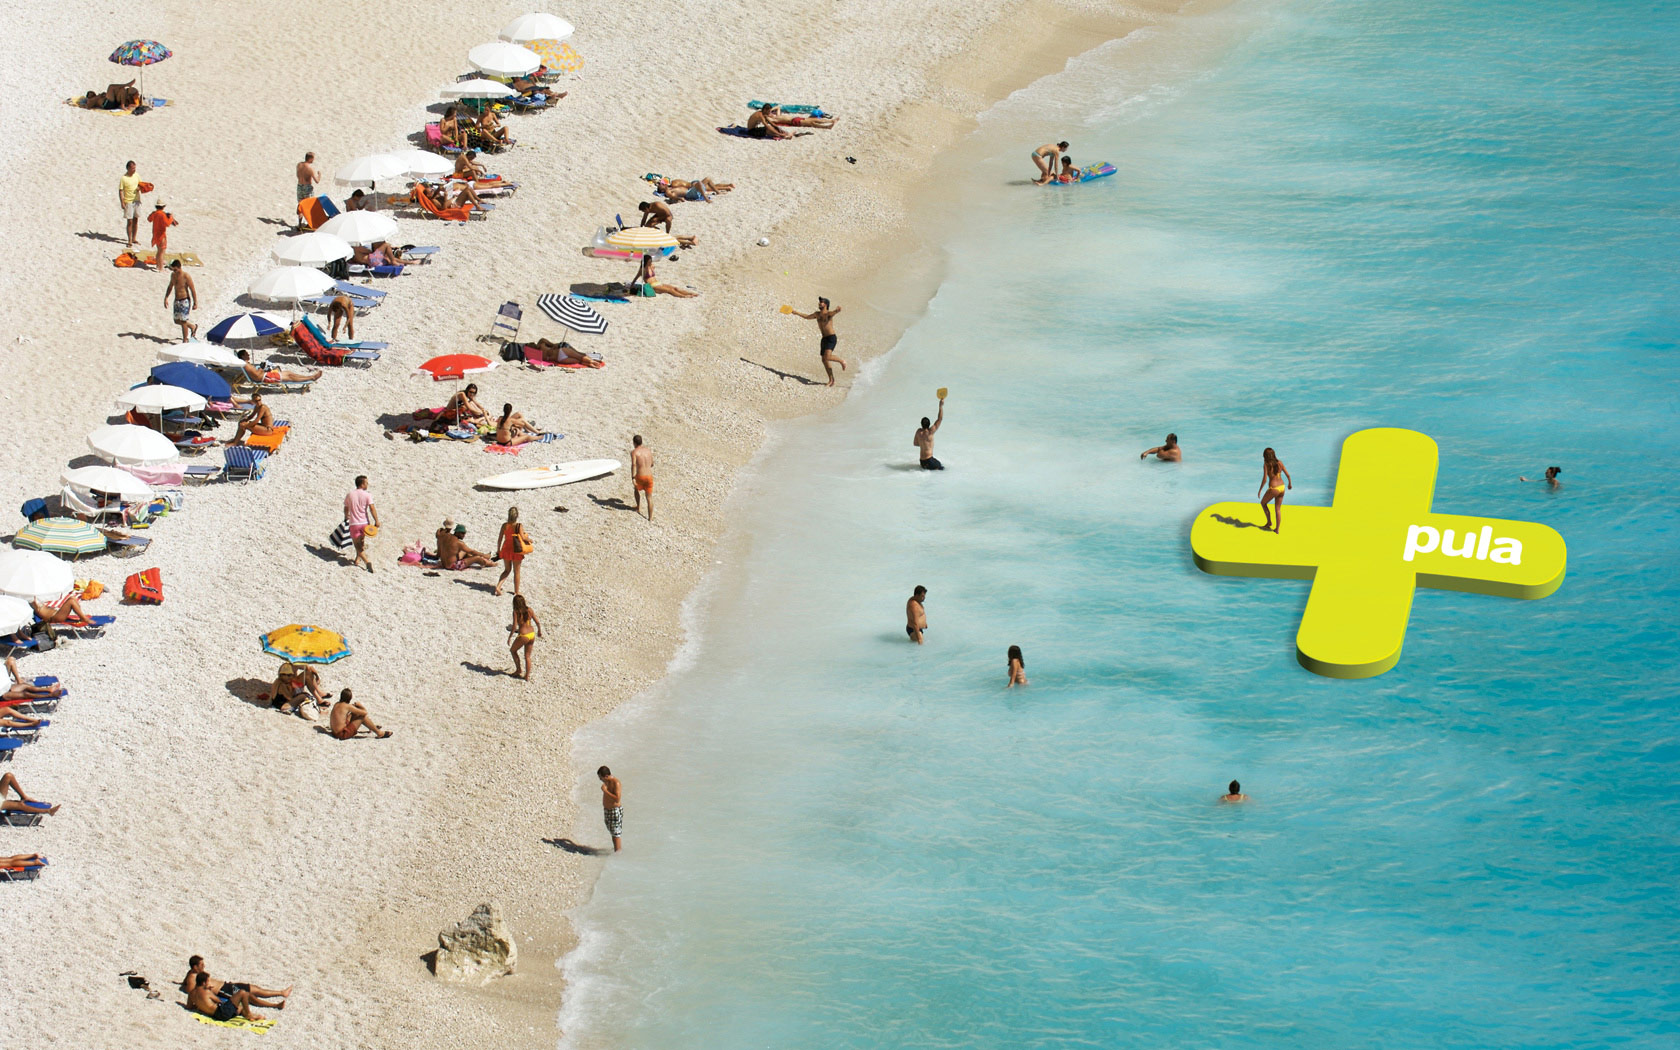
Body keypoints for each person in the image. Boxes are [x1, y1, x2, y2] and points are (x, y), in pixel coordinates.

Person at [179, 956, 290, 1005]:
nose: (204, 966)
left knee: (254, 988)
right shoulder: (192, 978)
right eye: (201, 965)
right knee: (250, 997)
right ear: (195, 967)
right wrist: (206, 988)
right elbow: (191, 991)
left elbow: (185, 982)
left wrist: (182, 983)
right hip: (223, 991)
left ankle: (281, 992)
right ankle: (274, 1005)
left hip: (227, 985)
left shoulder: (192, 973)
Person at [791, 297, 846, 386]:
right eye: (819, 302)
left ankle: (842, 361)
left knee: (828, 357)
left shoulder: (828, 314)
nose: (820, 303)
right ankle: (831, 380)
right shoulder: (817, 314)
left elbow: (833, 313)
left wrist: (837, 310)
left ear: (826, 304)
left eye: (822, 302)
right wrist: (796, 312)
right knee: (824, 360)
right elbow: (807, 317)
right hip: (824, 339)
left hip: (831, 338)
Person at [188, 971, 266, 1023]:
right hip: (222, 1013)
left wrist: (201, 1006)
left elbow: (189, 1006)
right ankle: (249, 1014)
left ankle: (251, 1015)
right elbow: (219, 1001)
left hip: (216, 1015)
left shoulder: (191, 993)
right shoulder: (206, 992)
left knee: (240, 1007)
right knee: (242, 993)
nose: (209, 983)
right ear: (203, 983)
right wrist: (210, 991)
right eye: (208, 981)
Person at [345, 475, 378, 573]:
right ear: (362, 484)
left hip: (354, 523)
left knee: (357, 544)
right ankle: (358, 559)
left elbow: (346, 507)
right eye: (366, 483)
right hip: (365, 523)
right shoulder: (367, 495)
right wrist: (376, 520)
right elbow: (372, 508)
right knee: (362, 541)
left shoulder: (350, 494)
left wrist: (346, 516)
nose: (367, 484)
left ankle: (366, 561)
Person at [494, 507, 529, 596]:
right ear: (517, 516)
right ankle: (516, 591)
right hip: (516, 550)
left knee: (507, 570)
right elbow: (523, 538)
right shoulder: (518, 526)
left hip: (506, 549)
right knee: (516, 571)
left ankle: (498, 586)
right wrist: (530, 540)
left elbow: (499, 539)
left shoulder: (504, 525)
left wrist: (498, 550)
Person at [161, 260, 198, 342]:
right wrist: (166, 298)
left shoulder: (186, 276)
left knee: (183, 321)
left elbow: (192, 289)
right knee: (176, 321)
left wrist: (195, 302)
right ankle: (192, 326)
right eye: (173, 270)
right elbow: (170, 287)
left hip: (185, 300)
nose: (174, 271)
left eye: (175, 270)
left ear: (179, 267)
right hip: (177, 300)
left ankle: (185, 340)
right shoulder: (173, 275)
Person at [507, 595, 542, 680]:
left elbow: (514, 626)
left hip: (523, 635)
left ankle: (518, 669)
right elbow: (537, 622)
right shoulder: (529, 610)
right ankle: (527, 676)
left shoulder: (516, 612)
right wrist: (539, 631)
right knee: (527, 656)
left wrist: (510, 637)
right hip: (532, 634)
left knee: (513, 651)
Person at [235, 350, 320, 385]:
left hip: (266, 375)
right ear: (242, 356)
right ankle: (311, 378)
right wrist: (261, 368)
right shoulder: (246, 365)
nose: (249, 355)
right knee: (290, 377)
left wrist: (262, 368)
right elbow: (257, 376)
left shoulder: (247, 364)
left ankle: (309, 377)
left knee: (289, 373)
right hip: (266, 377)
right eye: (246, 354)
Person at [1258, 447, 1292, 533]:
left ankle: (1269, 522)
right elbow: (1288, 475)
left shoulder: (1266, 464)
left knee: (1263, 503)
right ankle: (1277, 529)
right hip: (1282, 487)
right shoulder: (1280, 462)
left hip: (1274, 488)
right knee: (1278, 509)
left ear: (1265, 456)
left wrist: (1260, 490)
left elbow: (1265, 479)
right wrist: (1289, 484)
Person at [914, 398, 945, 470]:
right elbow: (940, 419)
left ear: (921, 424)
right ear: (929, 424)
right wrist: (940, 406)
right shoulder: (930, 432)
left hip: (922, 462)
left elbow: (915, 443)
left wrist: (923, 444)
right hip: (929, 461)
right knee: (943, 469)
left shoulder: (918, 432)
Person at [598, 766, 623, 853]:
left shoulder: (616, 783)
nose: (600, 780)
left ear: (606, 776)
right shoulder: (607, 781)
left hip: (614, 810)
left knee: (616, 833)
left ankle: (618, 853)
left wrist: (605, 791)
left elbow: (617, 799)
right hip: (608, 810)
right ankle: (616, 850)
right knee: (612, 831)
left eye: (601, 778)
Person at [147, 201, 177, 270]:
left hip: (155, 234)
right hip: (161, 235)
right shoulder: (162, 214)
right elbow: (167, 224)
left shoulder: (154, 213)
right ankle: (160, 268)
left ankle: (158, 266)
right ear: (163, 207)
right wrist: (171, 217)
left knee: (159, 251)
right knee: (161, 252)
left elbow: (149, 219)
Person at [118, 160, 142, 248]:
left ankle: (134, 238)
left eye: (135, 168)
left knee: (136, 220)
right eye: (132, 168)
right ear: (128, 168)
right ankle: (129, 240)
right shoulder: (123, 178)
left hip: (137, 201)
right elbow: (121, 191)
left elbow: (141, 185)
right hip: (128, 201)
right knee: (130, 221)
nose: (134, 170)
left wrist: (140, 188)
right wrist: (122, 202)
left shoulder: (137, 175)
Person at [531, 338, 601, 367]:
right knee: (580, 356)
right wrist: (552, 347)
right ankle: (592, 361)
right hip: (561, 351)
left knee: (579, 361)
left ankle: (591, 363)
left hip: (560, 360)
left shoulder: (538, 356)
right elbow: (552, 344)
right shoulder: (542, 344)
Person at [630, 435, 654, 521]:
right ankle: (650, 518)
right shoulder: (648, 451)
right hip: (649, 476)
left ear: (634, 443)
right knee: (649, 497)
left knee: (636, 489)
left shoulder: (634, 452)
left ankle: (638, 507)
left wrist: (633, 477)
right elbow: (652, 464)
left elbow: (633, 465)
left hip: (640, 476)